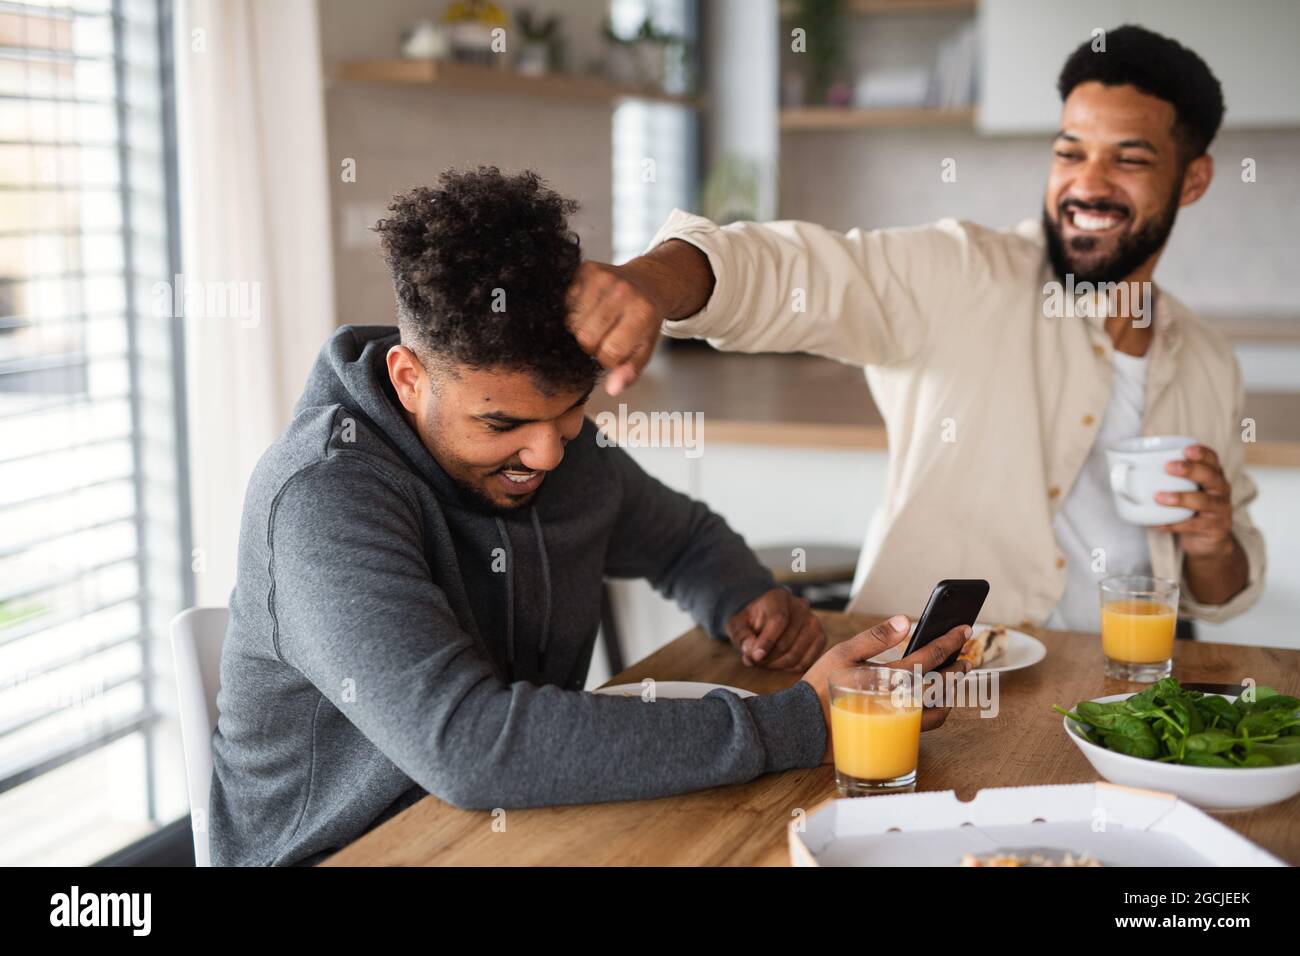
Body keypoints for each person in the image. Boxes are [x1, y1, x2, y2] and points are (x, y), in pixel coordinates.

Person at [208, 167, 969, 866]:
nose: (544, 455)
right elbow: (472, 748)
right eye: (502, 424)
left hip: (522, 831)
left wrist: (746, 597)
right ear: (409, 380)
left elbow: (680, 538)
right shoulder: (321, 500)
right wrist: (800, 721)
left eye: (570, 411)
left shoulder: (554, 448)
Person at [566, 25, 1264, 636]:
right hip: (937, 696)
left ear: (1193, 180)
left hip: (1116, 700)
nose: (1088, 183)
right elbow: (796, 270)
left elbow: (1224, 592)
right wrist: (658, 279)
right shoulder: (966, 274)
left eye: (1130, 159)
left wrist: (1210, 544)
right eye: (1070, 151)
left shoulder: (1205, 361)